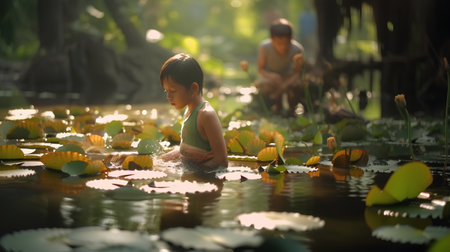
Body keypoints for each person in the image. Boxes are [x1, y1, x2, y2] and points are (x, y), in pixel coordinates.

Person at [158, 53, 228, 169]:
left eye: (173, 91)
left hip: (203, 182)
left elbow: (221, 161)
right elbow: (187, 150)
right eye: (166, 91)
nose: (168, 96)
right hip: (188, 170)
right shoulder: (189, 110)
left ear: (193, 88)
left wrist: (191, 172)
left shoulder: (206, 115)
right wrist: (160, 160)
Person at [255, 18, 305, 115]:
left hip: (288, 77)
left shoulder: (297, 50)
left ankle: (292, 108)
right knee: (266, 87)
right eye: (279, 44)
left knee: (297, 86)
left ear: (292, 39)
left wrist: (285, 85)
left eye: (286, 44)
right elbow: (261, 69)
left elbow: (298, 73)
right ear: (272, 40)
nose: (283, 47)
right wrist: (272, 76)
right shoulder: (264, 47)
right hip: (270, 77)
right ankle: (272, 107)